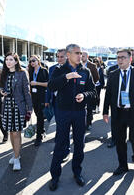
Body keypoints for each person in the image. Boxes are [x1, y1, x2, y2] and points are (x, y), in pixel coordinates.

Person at [48, 44, 96, 191]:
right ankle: (55, 176)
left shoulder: (85, 71)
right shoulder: (59, 70)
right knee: (60, 144)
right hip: (63, 112)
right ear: (68, 55)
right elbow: (51, 86)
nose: (80, 55)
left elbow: (93, 91)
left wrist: (85, 95)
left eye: (81, 53)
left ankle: (77, 172)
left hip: (80, 113)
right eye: (77, 53)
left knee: (79, 145)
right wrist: (67, 77)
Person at [103, 49, 134, 176]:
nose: (120, 60)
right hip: (118, 113)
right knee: (119, 141)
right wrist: (105, 111)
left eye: (123, 57)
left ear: (130, 59)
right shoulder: (113, 74)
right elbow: (108, 94)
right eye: (118, 57)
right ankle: (122, 165)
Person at [0, 52, 32, 171]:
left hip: (19, 106)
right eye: (6, 59)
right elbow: (1, 87)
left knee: (16, 133)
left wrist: (29, 108)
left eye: (11, 59)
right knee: (11, 132)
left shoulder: (22, 73)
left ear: (16, 61)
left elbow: (26, 91)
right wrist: (1, 92)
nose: (8, 62)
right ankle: (15, 153)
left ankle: (17, 158)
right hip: (7, 105)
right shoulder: (4, 73)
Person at [46, 49, 71, 162]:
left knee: (64, 127)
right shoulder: (52, 69)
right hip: (56, 101)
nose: (59, 59)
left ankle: (66, 150)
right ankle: (60, 145)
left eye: (62, 57)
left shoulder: (71, 69)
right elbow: (49, 86)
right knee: (60, 125)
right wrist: (47, 100)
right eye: (58, 56)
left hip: (67, 103)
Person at [28, 55, 49, 146]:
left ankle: (39, 136)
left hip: (41, 96)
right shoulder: (30, 71)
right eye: (30, 61)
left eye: (33, 60)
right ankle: (42, 130)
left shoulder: (44, 70)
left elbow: (48, 84)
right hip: (33, 97)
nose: (32, 62)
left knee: (40, 116)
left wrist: (36, 83)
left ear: (38, 60)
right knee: (37, 114)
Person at [81, 51, 99, 130]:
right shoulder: (78, 65)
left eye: (84, 56)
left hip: (89, 90)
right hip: (80, 90)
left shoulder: (92, 66)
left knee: (89, 108)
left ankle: (88, 123)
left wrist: (90, 83)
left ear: (87, 57)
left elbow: (96, 77)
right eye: (81, 55)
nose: (82, 57)